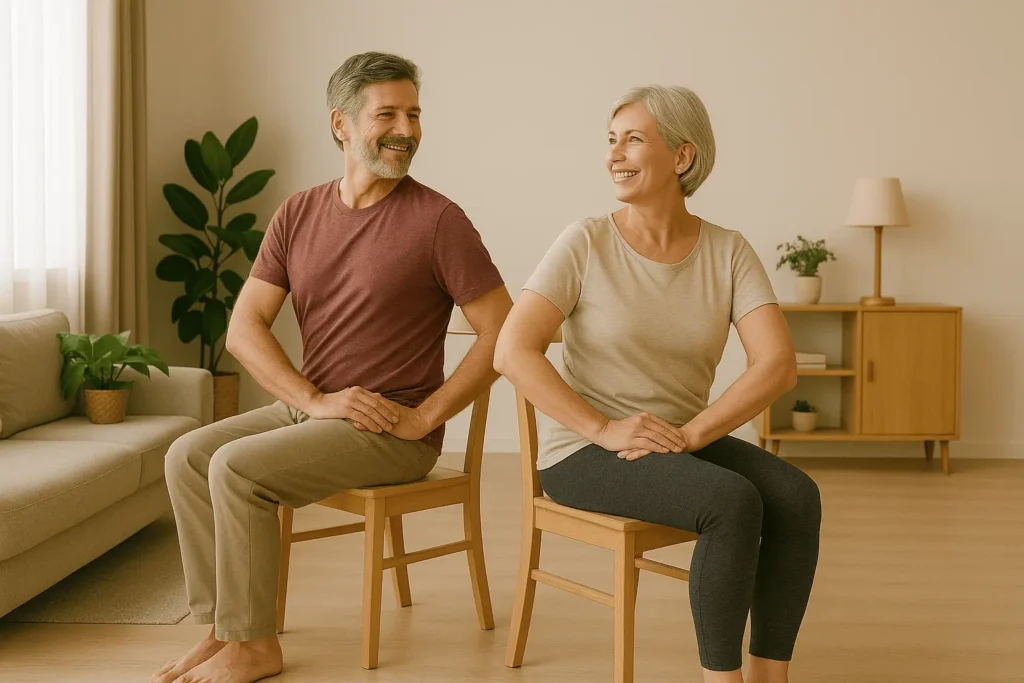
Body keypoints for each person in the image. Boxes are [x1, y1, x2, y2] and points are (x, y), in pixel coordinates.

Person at [153, 51, 512, 683]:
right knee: (188, 455)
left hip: (388, 429)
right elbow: (244, 328)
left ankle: (255, 646)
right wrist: (313, 400)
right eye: (388, 114)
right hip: (316, 410)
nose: (407, 129)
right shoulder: (298, 213)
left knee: (237, 470)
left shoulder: (438, 221)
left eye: (415, 114)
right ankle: (222, 630)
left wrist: (425, 415)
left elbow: (504, 331)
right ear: (341, 124)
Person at [493, 85, 821, 683]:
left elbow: (777, 364)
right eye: (611, 140)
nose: (615, 154)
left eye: (633, 139)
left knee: (796, 496)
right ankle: (720, 678)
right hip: (586, 452)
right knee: (730, 500)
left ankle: (772, 673)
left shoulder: (727, 250)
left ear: (682, 157)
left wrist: (694, 434)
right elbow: (512, 350)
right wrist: (603, 428)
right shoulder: (586, 240)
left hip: (675, 440)